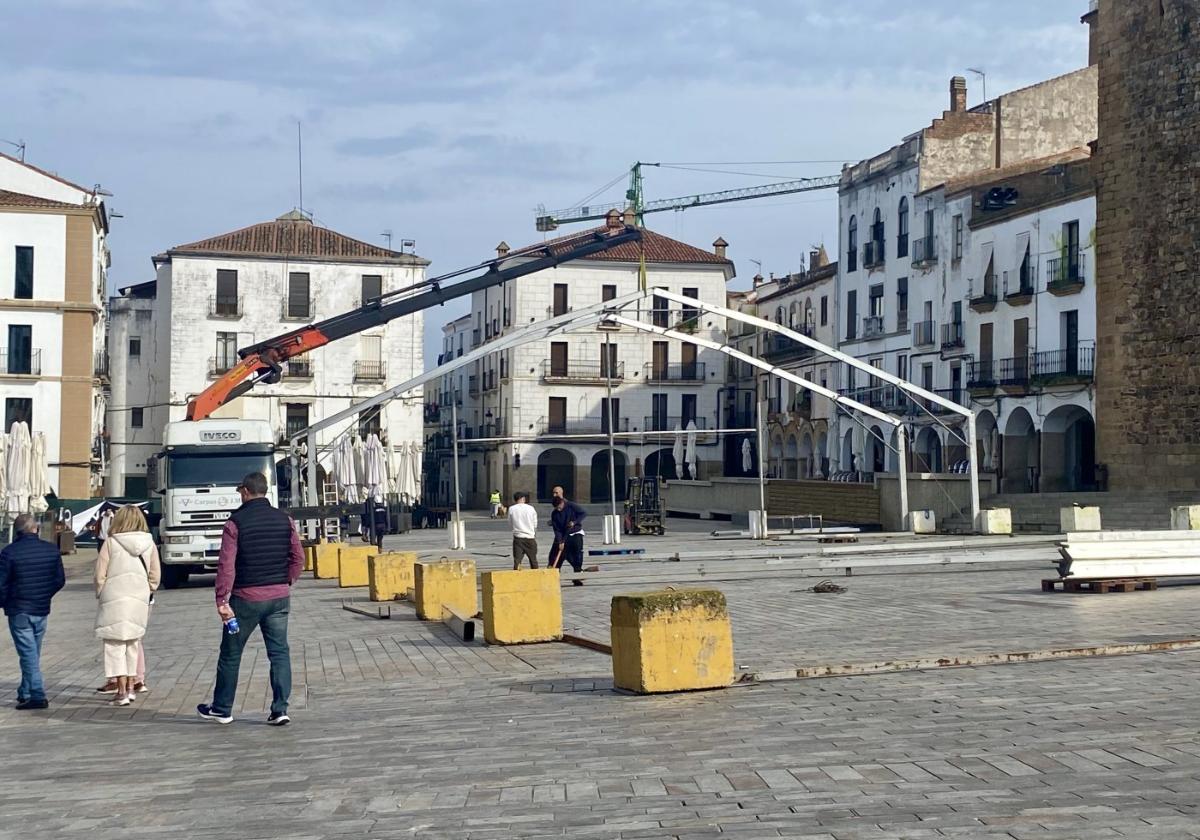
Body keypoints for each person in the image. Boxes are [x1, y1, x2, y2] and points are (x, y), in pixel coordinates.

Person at [197, 472, 303, 726]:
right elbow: (298, 558)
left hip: (245, 598)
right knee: (279, 653)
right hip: (279, 597)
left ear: (245, 491)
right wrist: (286, 580)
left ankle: (222, 708)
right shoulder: (285, 519)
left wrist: (222, 600)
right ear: (264, 491)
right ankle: (280, 709)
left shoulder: (235, 523)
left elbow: (226, 566)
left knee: (231, 654)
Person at [94, 505, 160, 707]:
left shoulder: (111, 543)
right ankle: (132, 687)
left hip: (114, 597)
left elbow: (99, 575)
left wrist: (102, 592)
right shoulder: (149, 543)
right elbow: (155, 575)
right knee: (133, 643)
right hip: (138, 598)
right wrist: (147, 589)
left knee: (114, 645)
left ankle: (121, 691)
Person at [0, 513, 66, 710]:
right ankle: (25, 691)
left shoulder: (9, 552)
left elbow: (1, 584)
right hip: (40, 608)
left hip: (19, 609)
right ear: (35, 528)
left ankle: (37, 694)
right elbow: (59, 580)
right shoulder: (51, 550)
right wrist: (44, 595)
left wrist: (5, 603)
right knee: (32, 652)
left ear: (18, 531)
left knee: (28, 653)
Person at [549, 485, 587, 586]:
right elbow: (557, 529)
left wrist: (574, 522)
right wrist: (560, 541)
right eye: (557, 508)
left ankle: (577, 576)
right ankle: (554, 575)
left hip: (575, 533)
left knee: (577, 555)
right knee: (560, 555)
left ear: (562, 502)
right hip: (563, 536)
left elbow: (583, 513)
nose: (559, 509)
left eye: (560, 507)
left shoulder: (571, 505)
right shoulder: (555, 514)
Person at [507, 491, 538, 570]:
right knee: (533, 560)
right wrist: (533, 532)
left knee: (517, 561)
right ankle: (536, 576)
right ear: (523, 499)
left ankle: (516, 577)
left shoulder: (511, 509)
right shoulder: (531, 508)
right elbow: (535, 523)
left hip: (518, 538)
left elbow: (510, 523)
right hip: (530, 537)